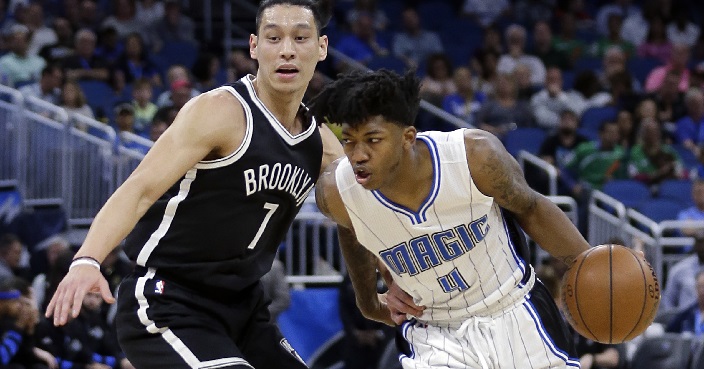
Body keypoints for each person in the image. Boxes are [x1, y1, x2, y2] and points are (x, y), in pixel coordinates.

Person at [45, 2, 343, 369]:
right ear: (253, 47)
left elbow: (364, 216)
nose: (286, 49)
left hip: (246, 309)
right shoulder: (219, 112)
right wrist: (86, 259)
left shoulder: (323, 144)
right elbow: (139, 190)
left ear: (322, 47)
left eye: (300, 38)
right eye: (273, 37)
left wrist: (386, 286)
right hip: (170, 300)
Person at [310, 69, 590, 368]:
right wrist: (367, 301)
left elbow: (531, 208)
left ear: (407, 137)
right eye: (350, 141)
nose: (358, 155)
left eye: (373, 140)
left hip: (513, 307)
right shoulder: (337, 192)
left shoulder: (474, 156)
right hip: (433, 331)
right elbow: (351, 226)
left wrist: (590, 261)